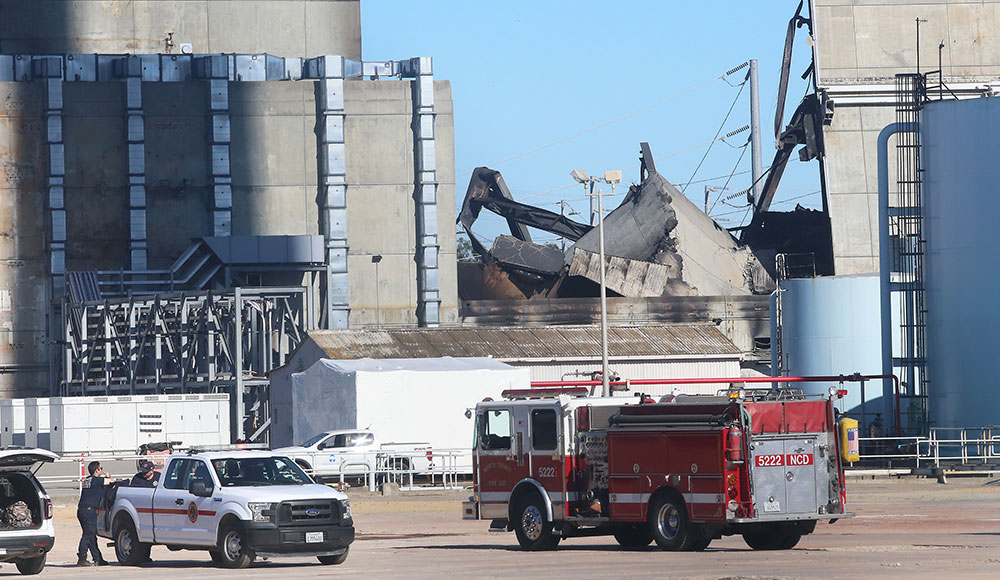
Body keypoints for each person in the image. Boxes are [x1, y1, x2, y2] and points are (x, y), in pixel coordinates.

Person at [78, 461, 116, 566]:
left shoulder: (87, 480)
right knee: (88, 534)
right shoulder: (97, 480)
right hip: (89, 511)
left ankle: (98, 558)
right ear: (97, 470)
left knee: (91, 535)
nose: (102, 470)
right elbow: (111, 481)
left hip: (82, 510)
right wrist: (108, 476)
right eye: (101, 468)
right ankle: (82, 557)